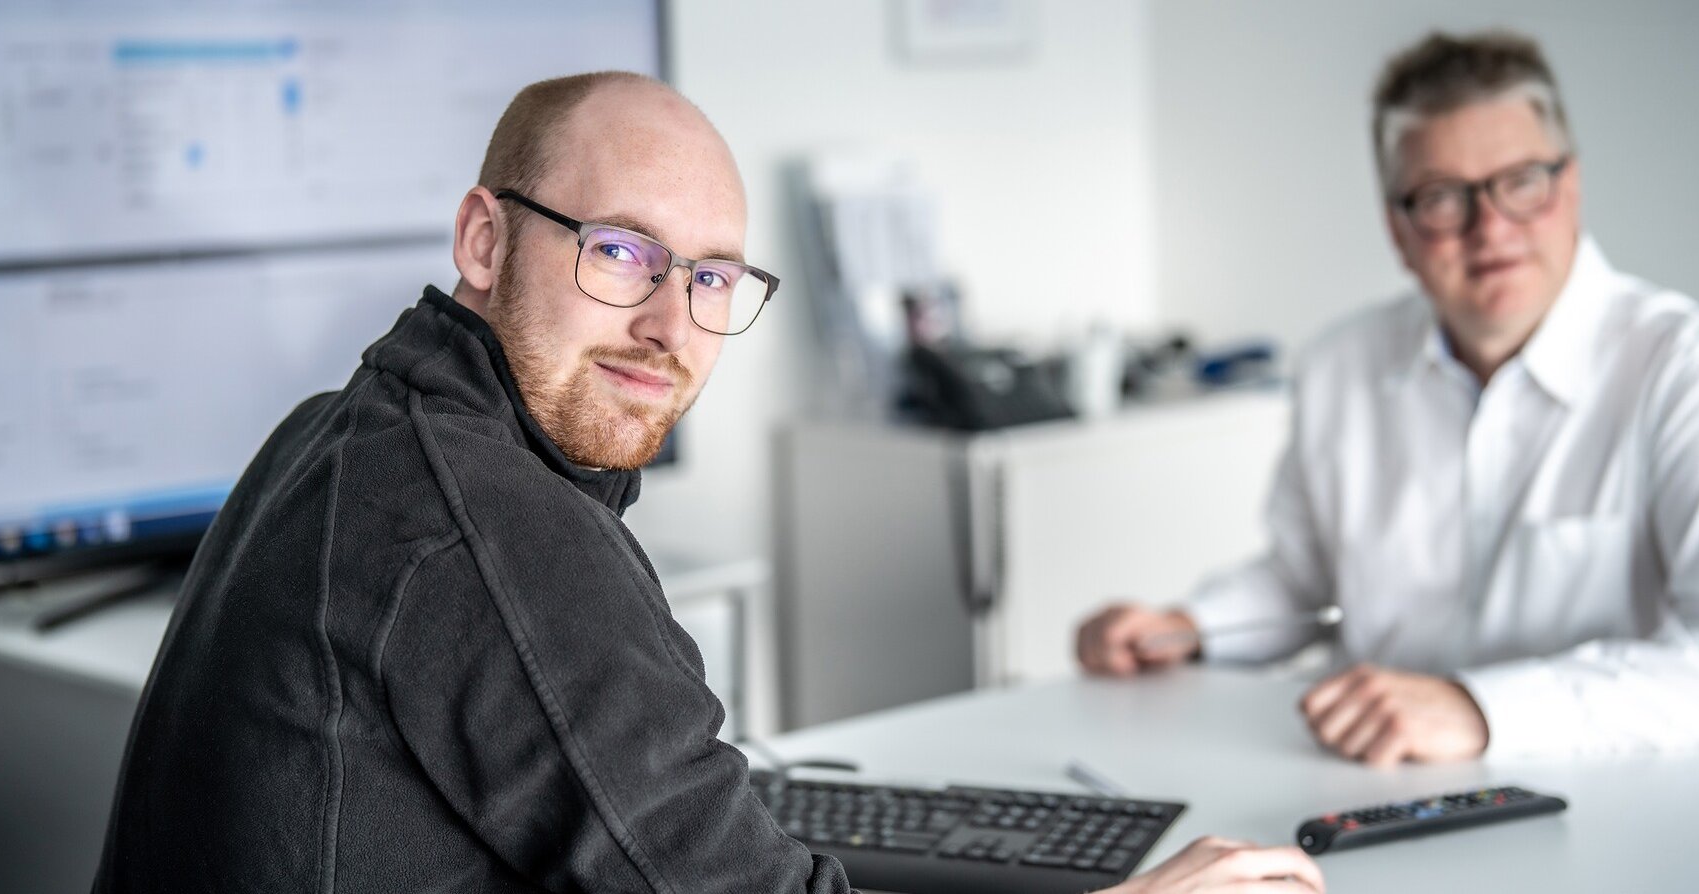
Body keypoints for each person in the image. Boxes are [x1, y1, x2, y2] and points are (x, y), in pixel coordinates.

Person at [97, 71, 1322, 893]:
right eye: (621, 251)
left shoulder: (341, 432)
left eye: (712, 279)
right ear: (483, 240)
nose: (670, 326)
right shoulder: (492, 526)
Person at [1077, 30, 1699, 765]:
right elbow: (1305, 581)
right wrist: (1190, 627)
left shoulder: (1696, 376)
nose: (1492, 228)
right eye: (1443, 198)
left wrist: (1482, 711)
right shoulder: (1337, 367)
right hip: (1368, 784)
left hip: (1616, 796)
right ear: (1398, 229)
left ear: (1571, 186)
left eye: (1521, 181)